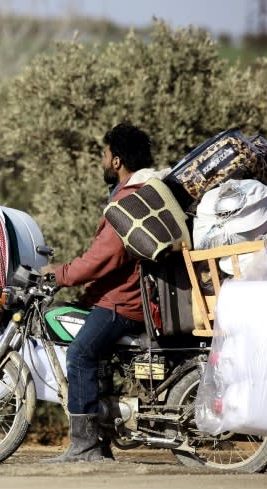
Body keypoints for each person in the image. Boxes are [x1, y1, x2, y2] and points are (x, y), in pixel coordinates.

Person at [40, 123, 153, 463]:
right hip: (125, 298)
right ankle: (100, 439)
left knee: (79, 354)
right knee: (88, 346)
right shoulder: (143, 193)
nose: (103, 161)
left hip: (123, 303)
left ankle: (85, 444)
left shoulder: (128, 200)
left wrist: (59, 273)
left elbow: (103, 258)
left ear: (116, 161)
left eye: (104, 155)